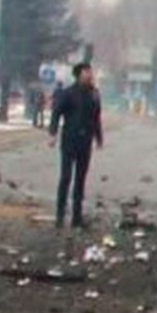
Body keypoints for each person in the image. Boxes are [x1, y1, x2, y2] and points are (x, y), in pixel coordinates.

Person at [49, 62, 103, 228]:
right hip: (69, 140)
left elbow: (96, 117)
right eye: (87, 72)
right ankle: (60, 215)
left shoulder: (94, 94)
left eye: (90, 71)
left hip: (85, 142)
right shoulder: (68, 93)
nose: (90, 75)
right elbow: (56, 113)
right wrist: (53, 133)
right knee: (66, 178)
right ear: (79, 74)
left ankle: (77, 217)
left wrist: (98, 137)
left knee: (81, 179)